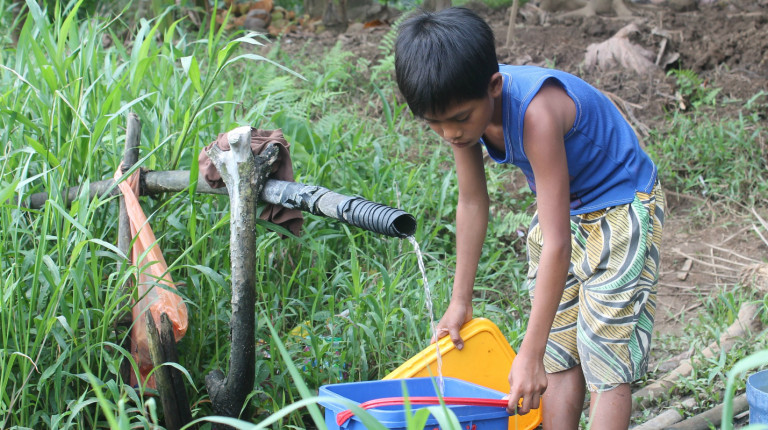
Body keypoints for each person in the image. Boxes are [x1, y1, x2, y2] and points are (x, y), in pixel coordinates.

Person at [394, 7, 665, 430]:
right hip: (567, 211)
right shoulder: (462, 111)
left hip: (621, 210)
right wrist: (460, 301)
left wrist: (528, 353)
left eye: (459, 120)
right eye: (435, 123)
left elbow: (556, 242)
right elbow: (471, 203)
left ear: (494, 87)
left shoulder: (537, 113)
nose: (450, 134)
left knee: (604, 357)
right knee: (558, 349)